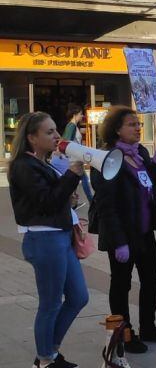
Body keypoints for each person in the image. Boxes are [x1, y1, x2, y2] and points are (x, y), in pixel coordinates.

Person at [8, 112, 90, 368]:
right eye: (49, 132)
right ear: (32, 137)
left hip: (59, 237)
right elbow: (47, 201)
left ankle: (49, 351)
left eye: (56, 130)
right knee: (51, 302)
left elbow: (55, 198)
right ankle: (45, 359)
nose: (56, 136)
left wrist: (69, 196)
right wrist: (73, 175)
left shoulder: (42, 162)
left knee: (79, 297)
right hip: (44, 239)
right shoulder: (24, 165)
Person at [90, 107, 156, 353]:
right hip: (122, 234)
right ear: (116, 129)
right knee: (121, 284)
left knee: (151, 279)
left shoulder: (140, 152)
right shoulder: (106, 158)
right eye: (131, 124)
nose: (138, 128)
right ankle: (124, 333)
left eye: (138, 123)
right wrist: (119, 241)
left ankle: (149, 326)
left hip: (145, 230)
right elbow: (106, 204)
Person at [61, 104, 93, 202]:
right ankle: (91, 201)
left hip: (75, 159)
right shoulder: (72, 126)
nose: (82, 116)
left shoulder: (72, 126)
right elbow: (66, 142)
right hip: (74, 160)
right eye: (80, 114)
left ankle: (72, 200)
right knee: (83, 181)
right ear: (75, 115)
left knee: (80, 181)